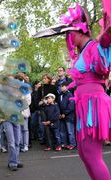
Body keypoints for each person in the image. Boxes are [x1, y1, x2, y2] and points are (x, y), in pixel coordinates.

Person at [34, 2, 111, 179]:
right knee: (85, 154)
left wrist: (107, 34)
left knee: (92, 155)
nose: (67, 37)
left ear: (78, 30)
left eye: (69, 32)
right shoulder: (82, 51)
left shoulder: (94, 47)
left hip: (94, 104)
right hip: (83, 106)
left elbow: (103, 63)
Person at [58, 82, 76, 150]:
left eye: (63, 86)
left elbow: (71, 106)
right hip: (61, 116)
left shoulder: (70, 95)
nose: (61, 87)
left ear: (67, 87)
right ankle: (64, 143)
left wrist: (64, 114)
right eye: (61, 86)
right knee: (62, 131)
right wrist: (59, 114)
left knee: (70, 131)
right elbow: (58, 105)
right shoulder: (60, 95)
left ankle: (72, 144)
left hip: (69, 116)